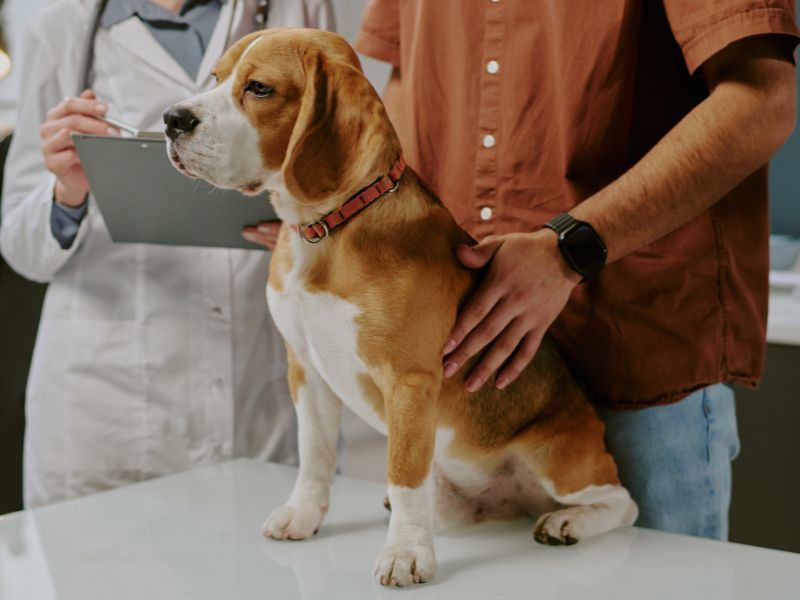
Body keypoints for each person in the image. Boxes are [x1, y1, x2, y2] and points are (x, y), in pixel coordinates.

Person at [356, 1, 798, 539]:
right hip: (472, 383)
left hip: (635, 359)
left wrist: (569, 248)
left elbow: (762, 99)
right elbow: (408, 79)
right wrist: (353, 213)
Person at [0, 0, 334, 508]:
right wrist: (67, 193)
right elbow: (23, 249)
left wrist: (307, 224)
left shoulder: (297, 9)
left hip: (255, 388)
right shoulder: (61, 31)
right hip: (104, 407)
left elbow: (340, 171)